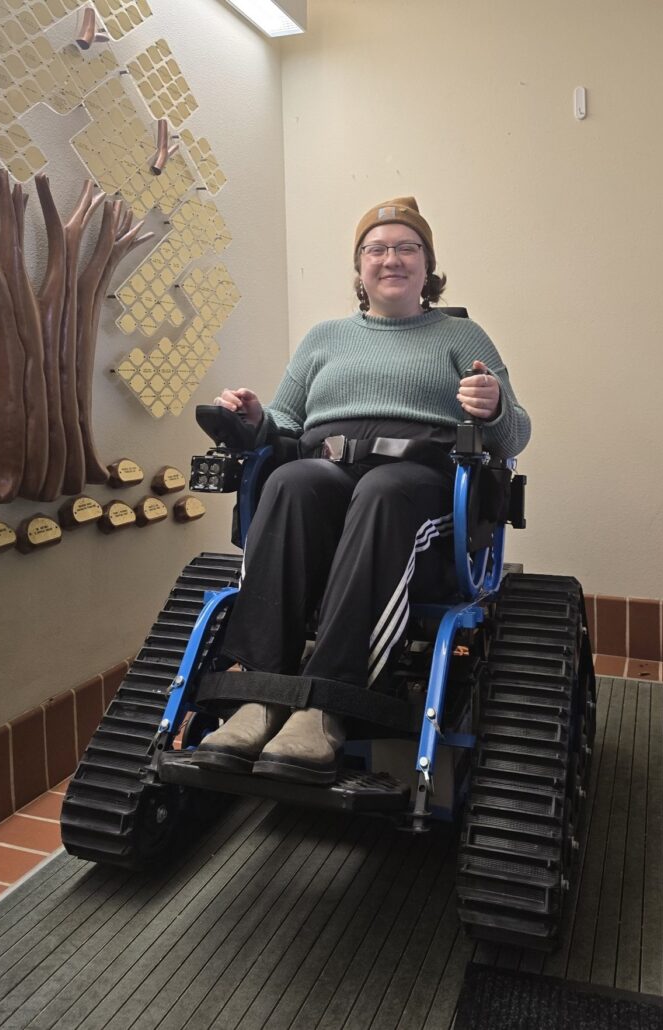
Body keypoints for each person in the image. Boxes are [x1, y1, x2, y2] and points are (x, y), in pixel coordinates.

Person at [196, 196, 530, 786]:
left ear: (427, 266)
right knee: (292, 479)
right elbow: (285, 426)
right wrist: (253, 420)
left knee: (382, 490)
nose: (391, 259)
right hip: (328, 473)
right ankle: (261, 695)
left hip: (419, 486)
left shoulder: (461, 335)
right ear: (360, 269)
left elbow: (516, 434)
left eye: (407, 248)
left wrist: (496, 406)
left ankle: (329, 707)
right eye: (377, 249)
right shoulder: (324, 338)